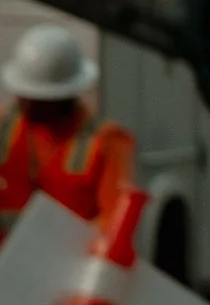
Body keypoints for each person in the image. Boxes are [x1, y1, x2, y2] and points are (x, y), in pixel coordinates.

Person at [0, 23, 136, 243]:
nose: (30, 104)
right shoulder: (3, 129)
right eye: (27, 95)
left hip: (67, 271)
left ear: (67, 95)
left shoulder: (106, 140)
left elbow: (113, 222)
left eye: (43, 100)